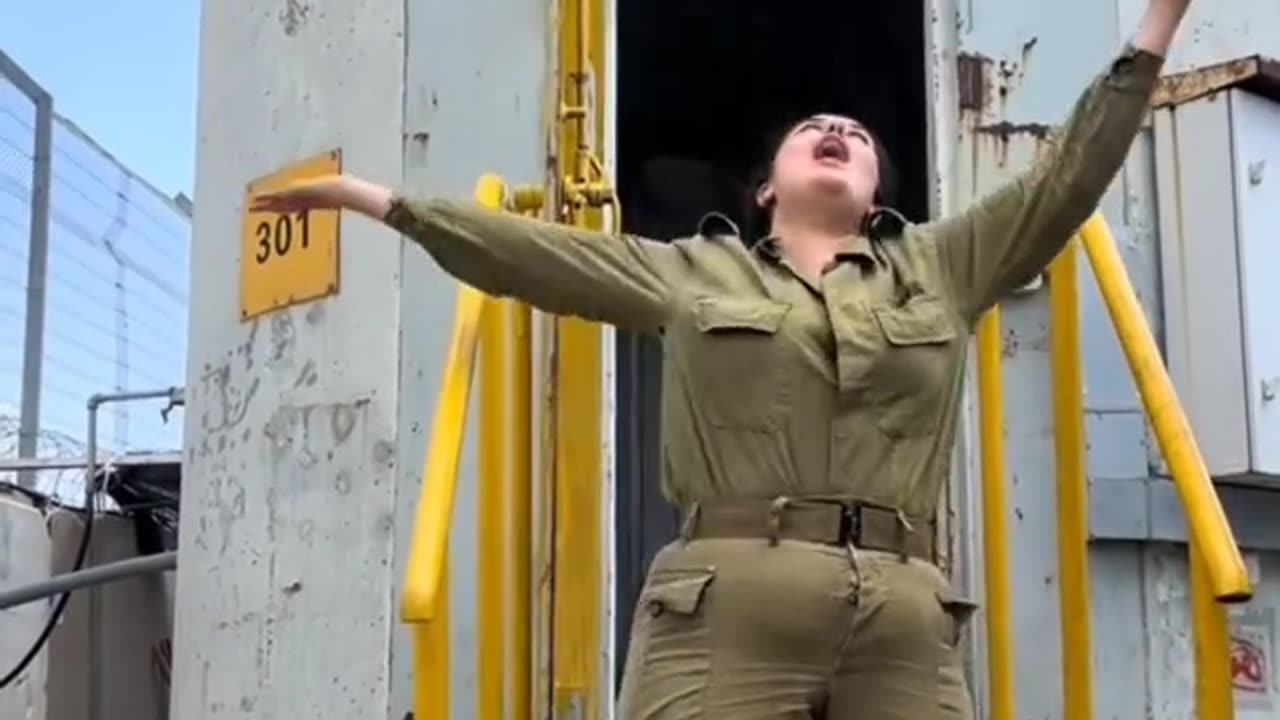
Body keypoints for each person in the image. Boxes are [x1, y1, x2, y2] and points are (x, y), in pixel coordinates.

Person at [252, 0, 1192, 716]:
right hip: (729, 598)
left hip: (906, 610)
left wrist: (1157, 22)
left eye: (860, 139)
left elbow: (1067, 178)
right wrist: (382, 201)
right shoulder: (692, 273)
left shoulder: (941, 266)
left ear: (874, 197)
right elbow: (533, 255)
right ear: (763, 188)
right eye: (815, 131)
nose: (840, 135)